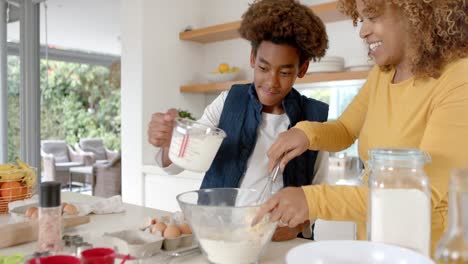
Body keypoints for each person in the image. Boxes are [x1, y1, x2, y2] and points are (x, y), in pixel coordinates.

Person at [254, 0, 468, 253]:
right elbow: (346, 129)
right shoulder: (383, 74)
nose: (362, 31)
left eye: (372, 17)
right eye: (360, 19)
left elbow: (419, 194)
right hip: (376, 245)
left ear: (417, 13)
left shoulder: (459, 79)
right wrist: (305, 133)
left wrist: (312, 200)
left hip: (426, 252)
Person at [147, 0, 329, 241]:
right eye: (264, 68)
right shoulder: (228, 102)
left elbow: (320, 190)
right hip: (219, 234)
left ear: (302, 68)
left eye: (285, 73)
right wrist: (169, 140)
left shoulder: (314, 120)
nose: (272, 82)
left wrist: (297, 226)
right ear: (253, 58)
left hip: (281, 243)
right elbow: (182, 159)